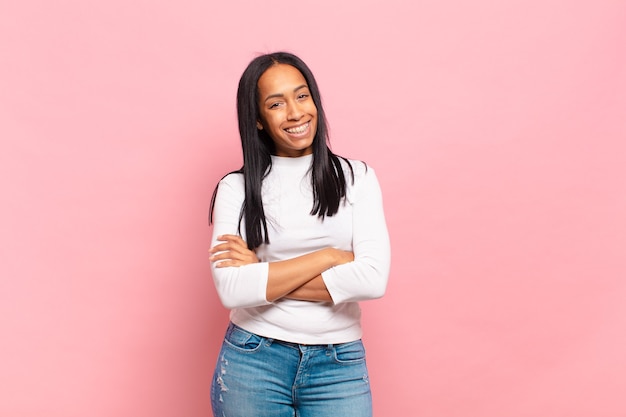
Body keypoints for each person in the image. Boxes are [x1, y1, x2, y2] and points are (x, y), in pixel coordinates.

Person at [208, 51, 391, 417]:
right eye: (276, 104)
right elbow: (232, 289)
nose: (295, 113)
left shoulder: (358, 178)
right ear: (258, 120)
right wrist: (329, 257)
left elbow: (372, 280)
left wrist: (262, 270)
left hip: (338, 366)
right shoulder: (237, 188)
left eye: (302, 96)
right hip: (253, 360)